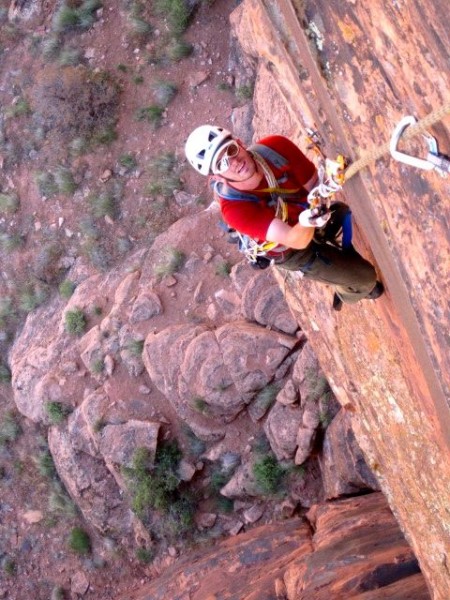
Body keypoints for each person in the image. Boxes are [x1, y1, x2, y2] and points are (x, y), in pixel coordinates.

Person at [184, 125, 384, 310]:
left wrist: (327, 187)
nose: (234, 163)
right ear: (216, 177)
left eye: (230, 151)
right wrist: (307, 221)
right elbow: (294, 240)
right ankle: (346, 292)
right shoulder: (235, 210)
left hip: (308, 214)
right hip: (291, 250)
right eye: (221, 164)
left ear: (239, 143)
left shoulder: (276, 149)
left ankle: (338, 262)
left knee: (340, 212)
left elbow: (313, 185)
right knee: (366, 281)